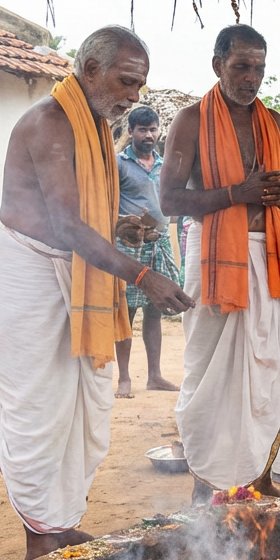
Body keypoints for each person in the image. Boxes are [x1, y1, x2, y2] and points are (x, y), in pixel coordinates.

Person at [0, 27, 194, 560]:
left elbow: (74, 216)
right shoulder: (52, 124)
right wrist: (144, 277)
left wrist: (117, 225)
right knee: (39, 409)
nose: (133, 97)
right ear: (90, 70)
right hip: (27, 273)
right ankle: (39, 540)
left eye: (140, 87)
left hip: (67, 270)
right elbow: (68, 227)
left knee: (78, 408)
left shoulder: (96, 125)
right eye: (126, 82)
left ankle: (61, 521)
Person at [161, 24, 280, 500]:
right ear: (218, 64)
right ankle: (207, 483)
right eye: (242, 66)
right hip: (213, 259)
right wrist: (236, 194)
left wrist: (279, 195)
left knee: (269, 374)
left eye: (259, 68)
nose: (251, 77)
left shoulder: (275, 122)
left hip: (268, 257)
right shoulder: (189, 121)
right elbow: (169, 200)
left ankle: (260, 477)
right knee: (209, 376)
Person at [113, 105, 181, 397]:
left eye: (153, 129)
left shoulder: (164, 166)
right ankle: (124, 378)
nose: (149, 135)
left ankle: (155, 375)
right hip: (130, 246)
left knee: (155, 310)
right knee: (125, 311)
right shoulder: (119, 164)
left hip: (160, 243)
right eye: (142, 130)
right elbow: (108, 203)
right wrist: (124, 225)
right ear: (130, 132)